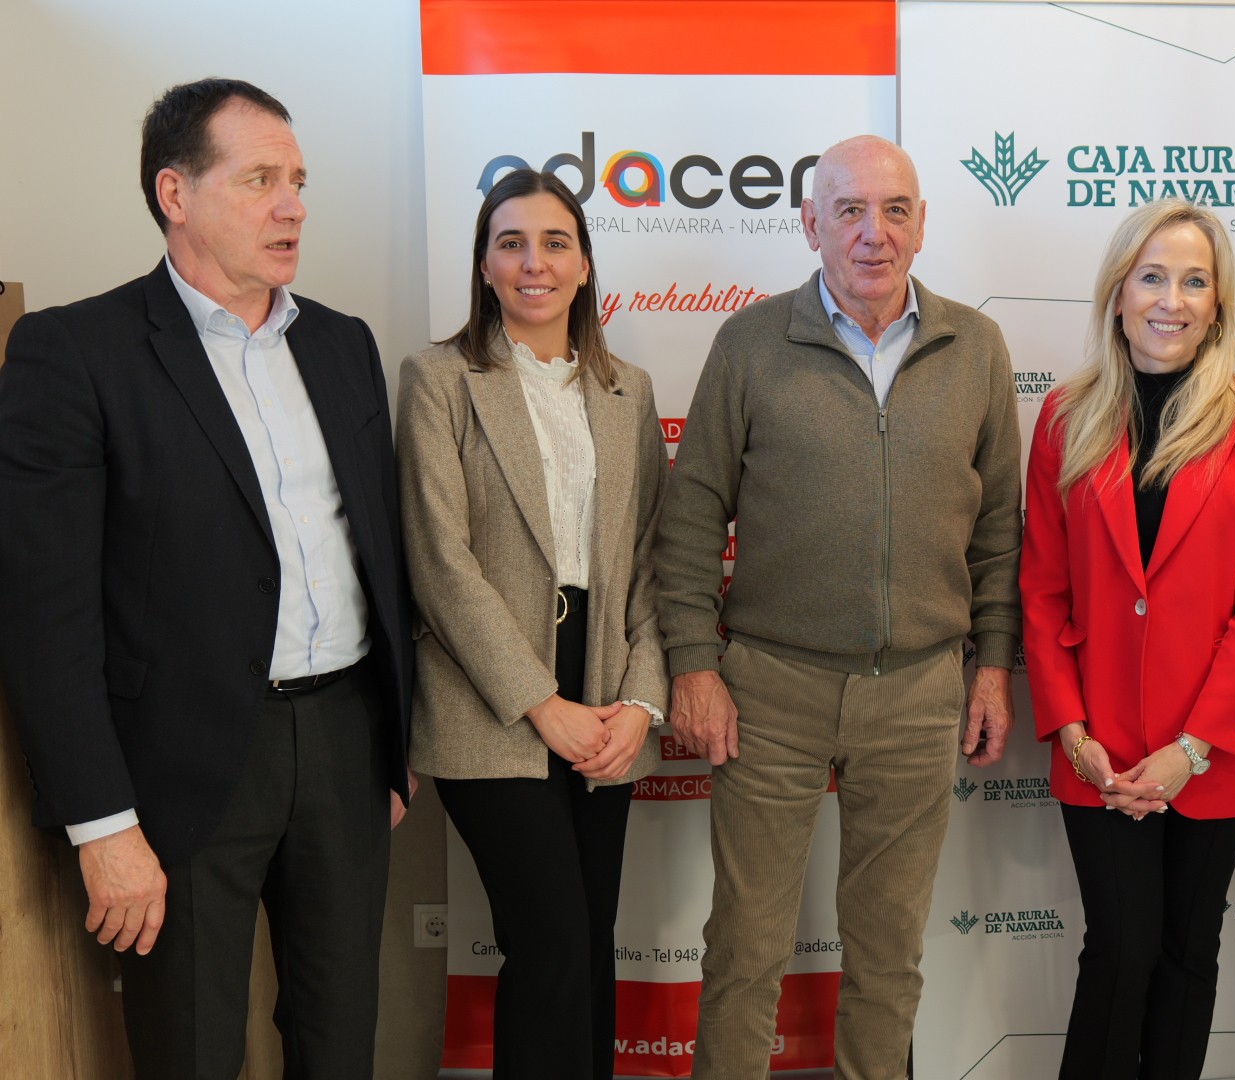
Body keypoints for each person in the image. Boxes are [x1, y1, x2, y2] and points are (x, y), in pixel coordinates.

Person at [0, 79, 414, 1078]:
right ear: (175, 194)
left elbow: (379, 552)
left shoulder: (340, 343)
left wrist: (391, 745)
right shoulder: (73, 353)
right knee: (189, 1050)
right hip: (178, 772)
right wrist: (103, 824)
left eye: (300, 181)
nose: (294, 205)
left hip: (347, 748)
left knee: (339, 1041)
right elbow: (43, 612)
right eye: (261, 179)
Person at [654, 134, 1021, 1078]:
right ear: (810, 221)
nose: (873, 233)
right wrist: (694, 666)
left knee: (890, 958)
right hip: (768, 691)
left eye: (895, 209)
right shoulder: (750, 341)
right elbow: (691, 513)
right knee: (745, 951)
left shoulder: (975, 348)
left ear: (923, 223)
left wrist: (992, 666)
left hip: (918, 694)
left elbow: (1000, 529)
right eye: (849, 210)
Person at [396, 168, 667, 1079]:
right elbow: (440, 564)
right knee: (548, 940)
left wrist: (639, 701)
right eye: (510, 243)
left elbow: (649, 563)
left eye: (555, 242)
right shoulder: (437, 379)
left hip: (605, 682)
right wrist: (539, 702)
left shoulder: (629, 390)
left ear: (585, 265)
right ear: (484, 264)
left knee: (591, 938)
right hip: (491, 701)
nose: (533, 262)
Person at [1022, 199, 1235, 1080]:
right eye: (1151, 276)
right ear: (1118, 292)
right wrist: (1070, 727)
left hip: (1214, 747)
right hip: (1097, 747)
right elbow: (1041, 582)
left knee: (1187, 951)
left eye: (1193, 281)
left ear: (1217, 304)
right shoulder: (1066, 416)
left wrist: (1192, 749)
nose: (1170, 299)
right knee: (1122, 949)